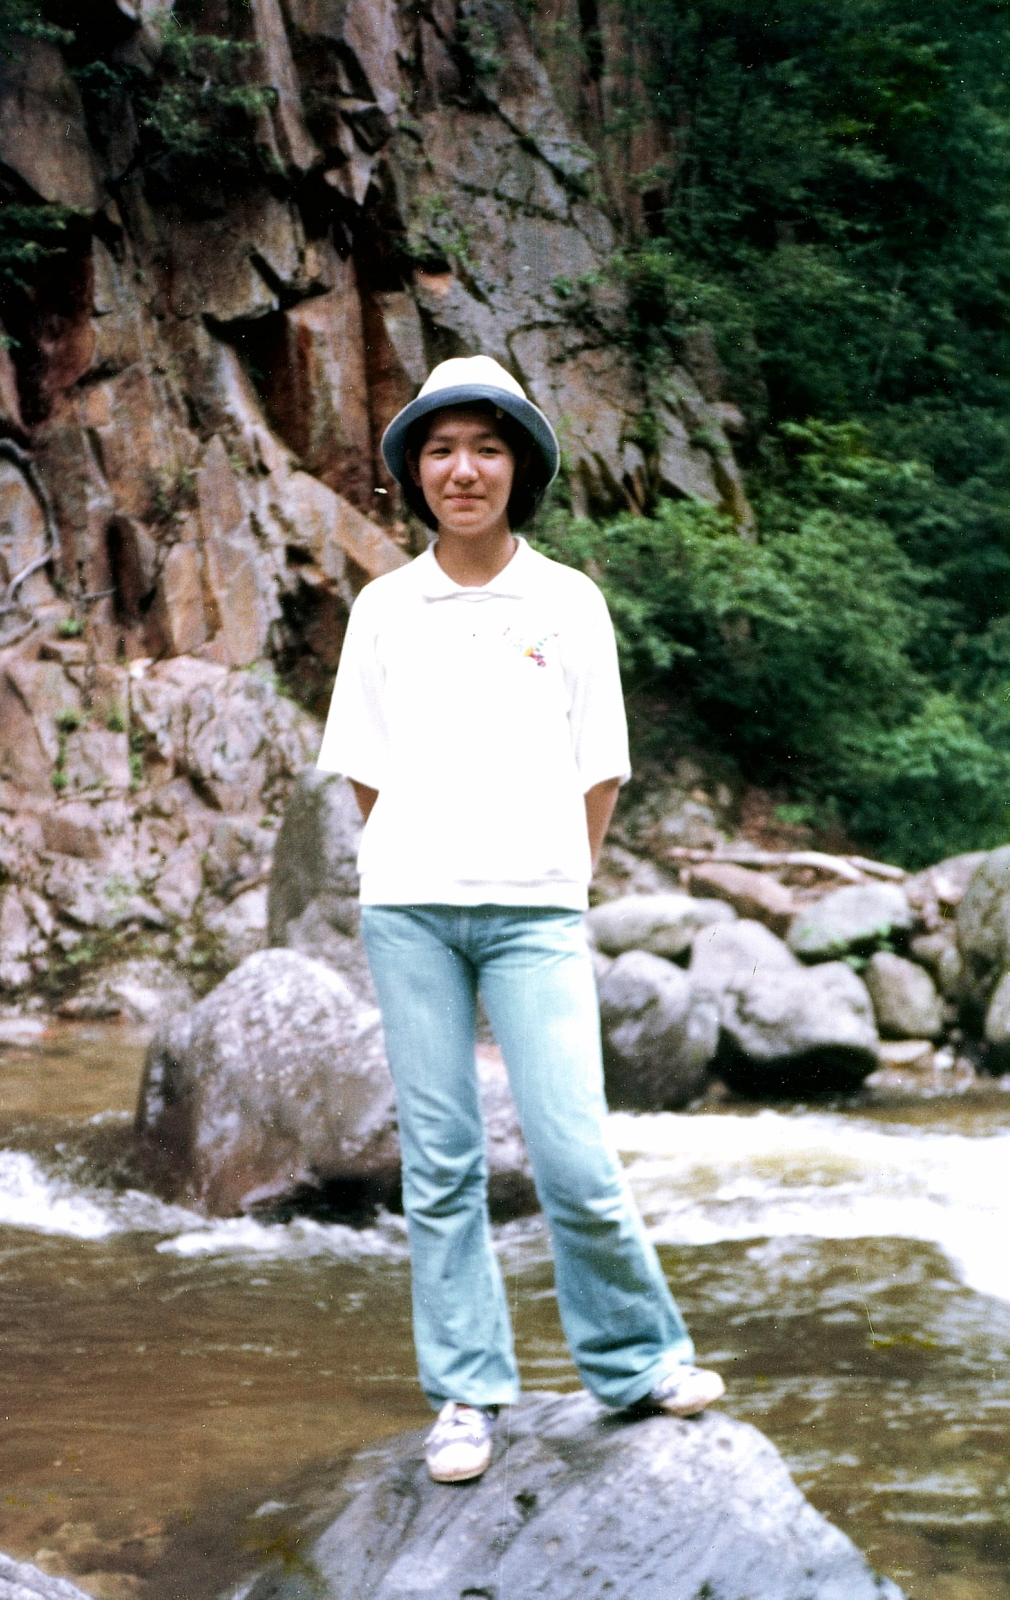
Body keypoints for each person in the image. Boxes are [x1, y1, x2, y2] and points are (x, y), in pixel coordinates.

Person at [316, 355, 724, 1484]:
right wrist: (424, 852)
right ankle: (464, 1394)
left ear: (519, 468)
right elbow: (364, 766)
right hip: (409, 912)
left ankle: (637, 1362)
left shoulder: (568, 602)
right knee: (441, 1161)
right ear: (415, 470)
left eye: (486, 449)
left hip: (535, 912)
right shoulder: (385, 608)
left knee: (573, 1151)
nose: (463, 470)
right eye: (442, 449)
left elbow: (601, 764)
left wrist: (557, 872)